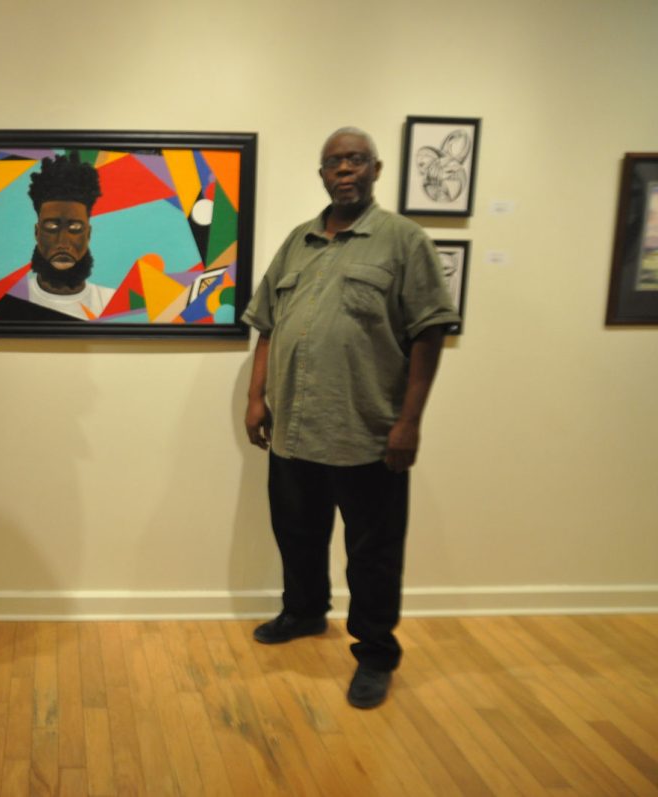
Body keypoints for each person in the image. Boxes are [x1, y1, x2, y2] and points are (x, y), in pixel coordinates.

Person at [241, 127, 459, 709]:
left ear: (376, 170)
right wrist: (255, 398)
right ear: (321, 174)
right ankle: (305, 613)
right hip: (294, 431)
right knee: (298, 535)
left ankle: (376, 654)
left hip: (367, 433)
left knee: (373, 553)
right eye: (334, 161)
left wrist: (409, 423)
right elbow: (266, 324)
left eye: (356, 159)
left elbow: (430, 331)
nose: (345, 169)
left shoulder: (403, 241)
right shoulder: (297, 242)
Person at [0, 153, 113, 321]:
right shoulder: (4, 304)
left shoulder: (110, 303)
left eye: (75, 228)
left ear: (88, 234)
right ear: (37, 233)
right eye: (51, 227)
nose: (63, 243)